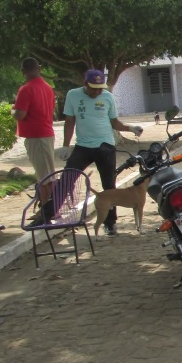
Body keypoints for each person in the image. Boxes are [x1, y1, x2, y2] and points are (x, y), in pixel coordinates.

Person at [58, 69, 142, 237]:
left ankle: (110, 223)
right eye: (93, 88)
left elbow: (114, 122)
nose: (97, 92)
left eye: (100, 88)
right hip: (83, 146)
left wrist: (131, 128)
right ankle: (49, 211)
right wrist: (66, 146)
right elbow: (69, 121)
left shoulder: (107, 97)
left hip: (105, 146)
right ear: (85, 84)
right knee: (68, 177)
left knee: (109, 185)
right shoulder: (73, 95)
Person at [11, 57, 57, 221]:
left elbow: (20, 114)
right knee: (45, 174)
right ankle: (47, 209)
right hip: (45, 133)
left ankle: (49, 210)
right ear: (40, 68)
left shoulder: (26, 89)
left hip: (37, 136)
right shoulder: (47, 88)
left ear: (23, 71)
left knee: (46, 177)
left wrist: (12, 110)